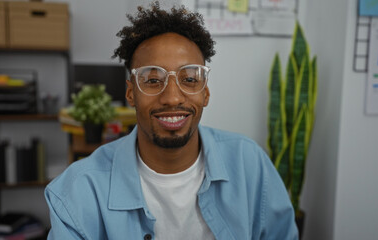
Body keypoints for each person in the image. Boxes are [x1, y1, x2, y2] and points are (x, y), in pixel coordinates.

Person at [45, 2, 298, 239]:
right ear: (131, 93)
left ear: (205, 92)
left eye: (189, 79)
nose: (172, 98)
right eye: (153, 80)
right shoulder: (78, 193)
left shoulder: (250, 165)